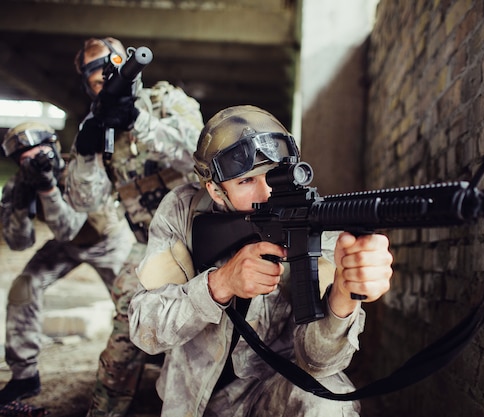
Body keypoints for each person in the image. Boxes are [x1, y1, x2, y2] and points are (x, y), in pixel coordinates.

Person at [128, 105, 394, 416]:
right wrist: (220, 284)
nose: (267, 191)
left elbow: (319, 363)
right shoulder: (183, 211)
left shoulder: (317, 225)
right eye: (246, 181)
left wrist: (344, 297)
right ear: (215, 190)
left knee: (327, 401)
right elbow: (144, 328)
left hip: (269, 397)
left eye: (275, 174)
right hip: (191, 403)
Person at [64, 37, 204, 416]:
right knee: (130, 315)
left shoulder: (164, 101)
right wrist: (85, 152)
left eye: (107, 66)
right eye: (91, 73)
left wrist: (138, 122)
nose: (101, 77)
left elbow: (199, 150)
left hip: (202, 233)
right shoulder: (99, 126)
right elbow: (82, 201)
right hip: (149, 245)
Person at [0, 122, 135, 407]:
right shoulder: (19, 185)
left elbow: (67, 228)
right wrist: (22, 206)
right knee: (24, 287)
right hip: (67, 247)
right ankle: (24, 375)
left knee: (135, 300)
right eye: (24, 157)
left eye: (38, 152)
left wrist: (48, 188)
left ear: (52, 146)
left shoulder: (81, 171)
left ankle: (151, 361)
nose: (34, 161)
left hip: (107, 239)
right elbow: (19, 243)